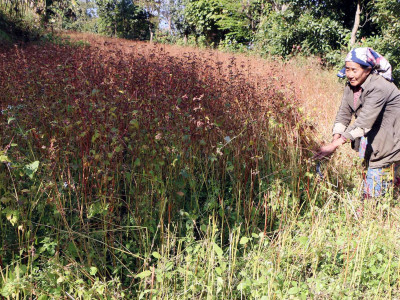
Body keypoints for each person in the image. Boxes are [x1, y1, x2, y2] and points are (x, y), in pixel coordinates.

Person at [313, 47, 400, 198]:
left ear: (367, 70)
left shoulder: (380, 86)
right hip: (373, 143)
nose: (350, 75)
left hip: (390, 144)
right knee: (375, 181)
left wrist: (334, 146)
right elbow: (343, 114)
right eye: (347, 70)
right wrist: (335, 139)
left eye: (354, 70)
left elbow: (363, 122)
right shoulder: (352, 86)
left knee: (371, 198)